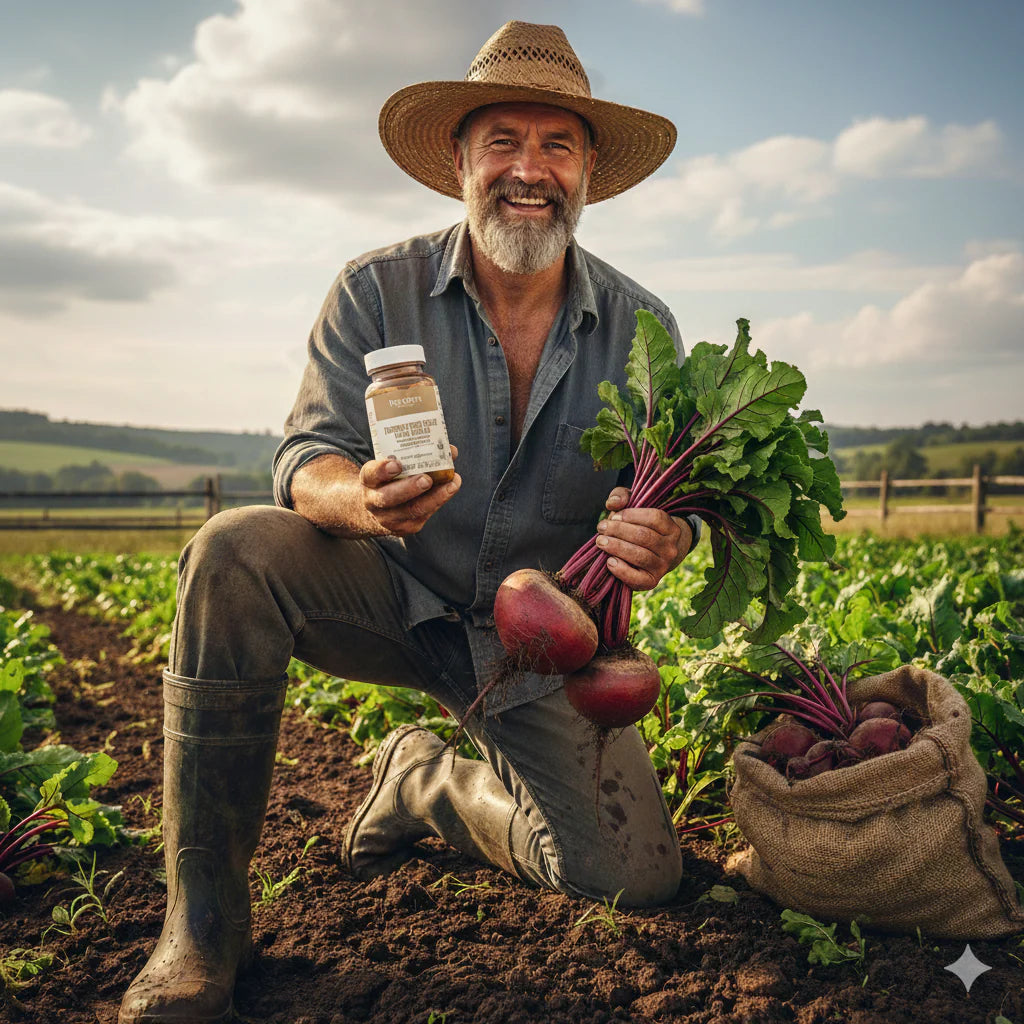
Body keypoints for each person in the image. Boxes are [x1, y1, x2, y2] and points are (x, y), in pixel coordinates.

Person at [119, 20, 700, 1024]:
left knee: (630, 878)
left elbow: (678, 499)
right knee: (230, 551)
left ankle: (425, 781)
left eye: (557, 144)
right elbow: (305, 458)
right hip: (389, 591)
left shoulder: (643, 330)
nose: (530, 169)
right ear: (459, 161)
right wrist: (362, 501)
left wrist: (670, 537)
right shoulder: (373, 289)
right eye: (503, 144)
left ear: (590, 170)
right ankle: (201, 922)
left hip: (535, 640)